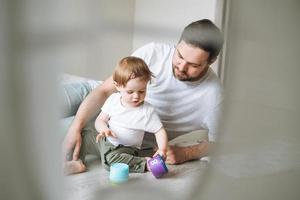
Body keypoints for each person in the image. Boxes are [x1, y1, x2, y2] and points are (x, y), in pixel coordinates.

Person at [63, 19, 224, 166]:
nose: (181, 67)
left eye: (193, 65)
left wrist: (187, 153)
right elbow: (105, 91)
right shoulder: (154, 52)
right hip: (95, 96)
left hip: (116, 134)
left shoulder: (214, 96)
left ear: (211, 62)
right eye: (180, 56)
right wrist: (75, 126)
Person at [64, 56, 168, 174]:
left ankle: (145, 162)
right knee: (83, 133)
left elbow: (159, 131)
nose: (136, 96)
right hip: (105, 141)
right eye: (130, 92)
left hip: (125, 149)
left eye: (141, 91)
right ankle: (76, 161)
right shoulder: (113, 100)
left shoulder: (147, 111)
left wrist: (162, 149)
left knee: (111, 161)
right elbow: (100, 120)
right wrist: (104, 129)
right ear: (117, 86)